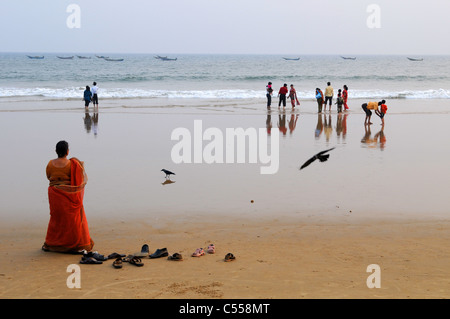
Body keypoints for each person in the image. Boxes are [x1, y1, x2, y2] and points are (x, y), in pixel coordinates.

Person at [42, 141, 94, 253]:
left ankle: (53, 244)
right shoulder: (72, 164)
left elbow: (48, 176)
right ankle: (75, 244)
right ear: (67, 151)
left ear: (56, 151)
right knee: (72, 218)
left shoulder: (50, 164)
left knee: (56, 218)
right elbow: (78, 179)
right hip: (69, 195)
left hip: (54, 195)